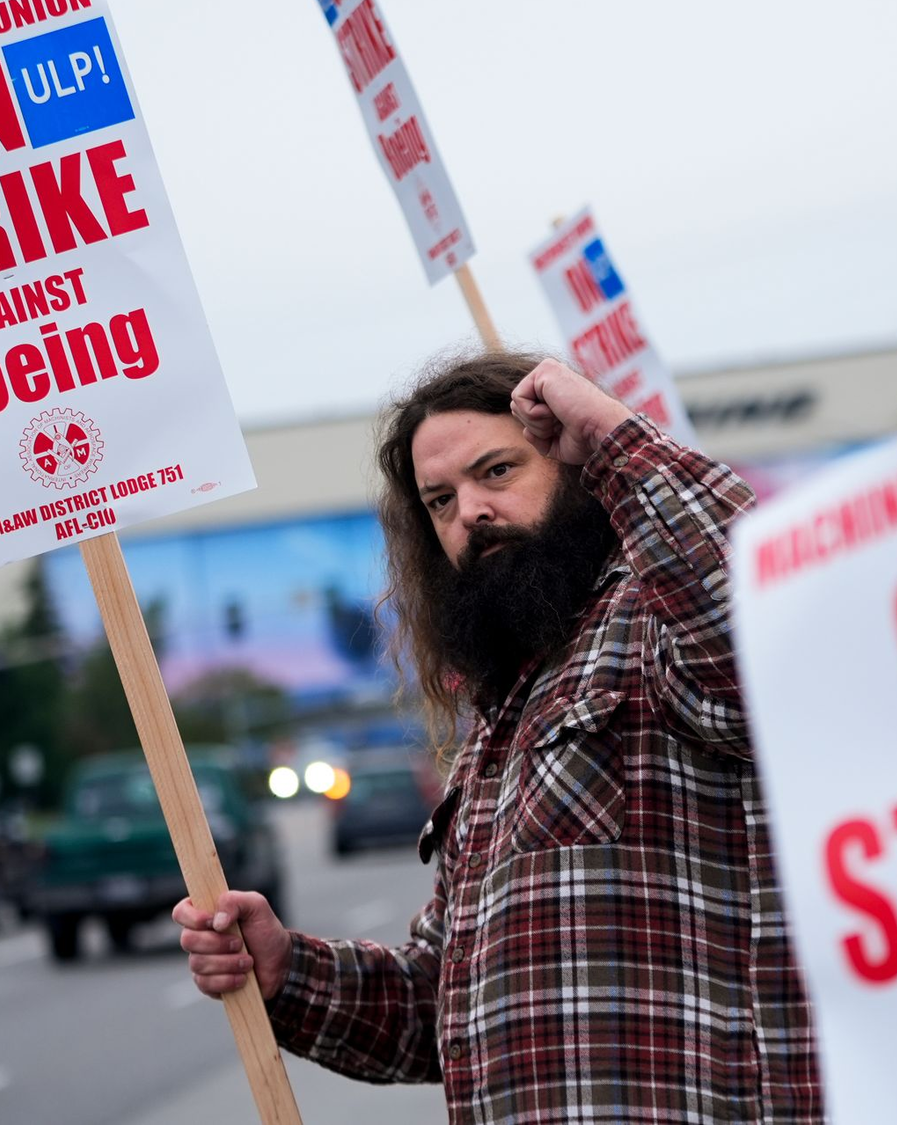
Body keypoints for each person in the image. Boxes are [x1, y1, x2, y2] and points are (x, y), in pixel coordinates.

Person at [174, 352, 823, 1123]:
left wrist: (614, 431)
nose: (469, 513)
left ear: (575, 459)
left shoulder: (655, 625)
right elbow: (444, 1008)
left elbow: (754, 616)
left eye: (498, 470)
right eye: (440, 501)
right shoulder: (498, 718)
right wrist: (288, 971)